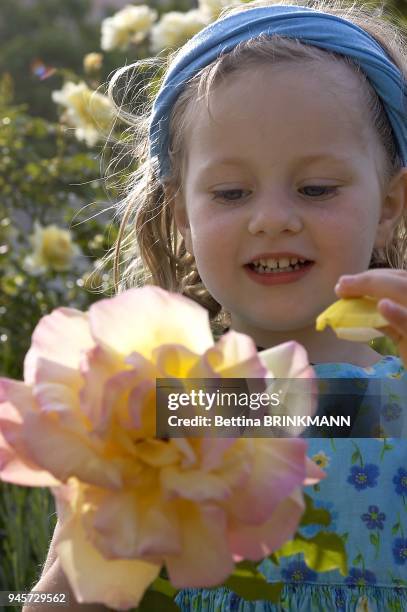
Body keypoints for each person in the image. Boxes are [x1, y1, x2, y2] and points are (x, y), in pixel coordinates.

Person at [25, 0, 407, 610]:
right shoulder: (153, 410)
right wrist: (85, 539)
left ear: (389, 205)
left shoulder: (397, 408)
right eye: (231, 192)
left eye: (316, 189)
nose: (273, 219)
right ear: (181, 215)